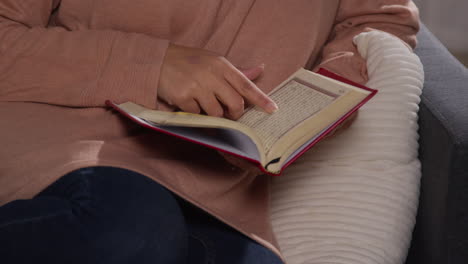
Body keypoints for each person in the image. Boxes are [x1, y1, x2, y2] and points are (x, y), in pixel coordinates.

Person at [0, 0, 419, 263]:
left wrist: (325, 94)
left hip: (218, 179)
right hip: (64, 139)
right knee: (128, 233)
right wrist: (155, 65)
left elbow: (376, 20)